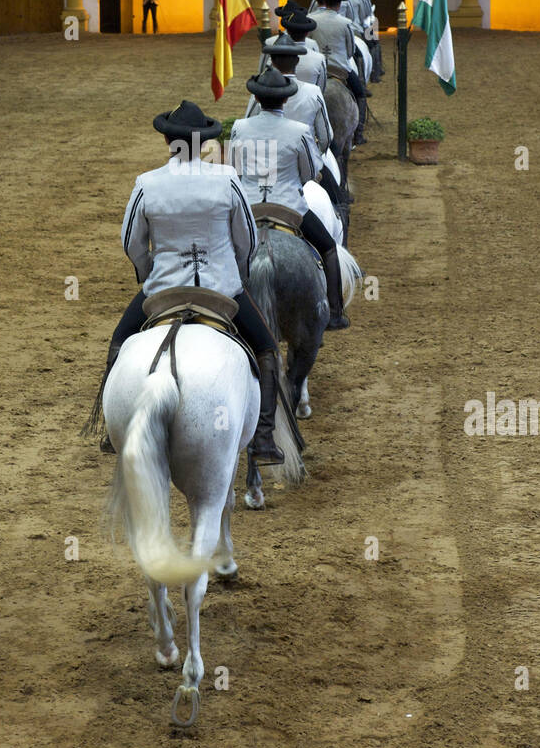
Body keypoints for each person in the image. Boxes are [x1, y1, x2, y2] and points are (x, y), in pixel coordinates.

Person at [95, 100, 285, 465]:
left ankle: (111, 427)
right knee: (266, 349)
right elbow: (246, 237)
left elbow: (131, 242)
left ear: (168, 140)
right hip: (222, 289)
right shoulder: (227, 178)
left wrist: (148, 272)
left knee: (120, 341)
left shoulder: (147, 183)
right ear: (205, 144)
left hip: (164, 289)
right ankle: (262, 438)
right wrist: (237, 273)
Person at [229, 68, 350, 329]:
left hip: (248, 209)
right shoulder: (298, 130)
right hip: (289, 208)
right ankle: (336, 312)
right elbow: (309, 173)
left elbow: (234, 171)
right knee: (328, 248)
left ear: (257, 100)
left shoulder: (240, 127)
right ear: (285, 99)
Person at [246, 30, 347, 213]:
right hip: (299, 164)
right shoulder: (313, 92)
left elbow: (246, 130)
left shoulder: (256, 95)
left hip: (262, 168)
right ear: (297, 61)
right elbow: (326, 138)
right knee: (339, 203)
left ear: (271, 61)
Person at [309, 0, 367, 131]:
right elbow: (350, 51)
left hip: (316, 68)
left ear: (323, 2)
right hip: (340, 69)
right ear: (339, 4)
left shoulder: (311, 19)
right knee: (360, 93)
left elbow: (308, 44)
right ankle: (359, 130)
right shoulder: (345, 23)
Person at [259, 7, 327, 91]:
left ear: (288, 31)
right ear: (307, 33)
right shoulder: (319, 58)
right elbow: (321, 88)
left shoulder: (270, 43)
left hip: (274, 96)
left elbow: (261, 73)